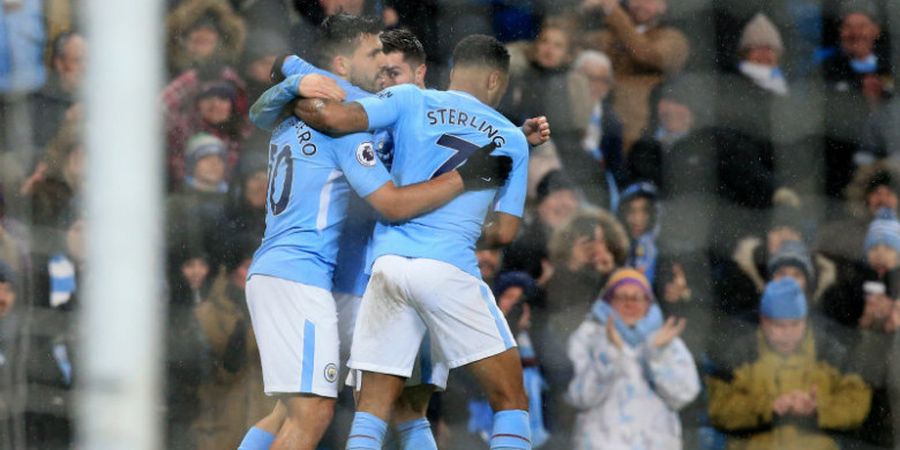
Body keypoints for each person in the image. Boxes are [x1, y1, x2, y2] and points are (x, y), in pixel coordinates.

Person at [239, 16, 513, 450]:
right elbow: (391, 202)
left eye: (394, 67)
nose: (383, 68)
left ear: (422, 74)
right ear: (344, 64)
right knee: (319, 411)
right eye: (375, 57)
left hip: (316, 271)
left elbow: (272, 87)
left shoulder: (320, 95)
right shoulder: (349, 119)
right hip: (325, 273)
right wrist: (467, 178)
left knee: (318, 408)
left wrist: (290, 81)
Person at [708, 278, 872, 450]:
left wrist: (817, 410)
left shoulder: (830, 351)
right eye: (779, 326)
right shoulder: (740, 354)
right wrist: (769, 407)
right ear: (764, 321)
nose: (788, 334)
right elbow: (719, 408)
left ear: (805, 320)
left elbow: (856, 402)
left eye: (796, 324)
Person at [566, 268, 700, 449]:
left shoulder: (666, 338)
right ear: (608, 301)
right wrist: (609, 354)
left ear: (648, 302)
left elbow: (684, 395)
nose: (630, 304)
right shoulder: (587, 336)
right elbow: (579, 397)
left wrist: (657, 356)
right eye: (621, 297)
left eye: (637, 298)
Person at [580, 0, 690, 150]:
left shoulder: (673, 38)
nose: (640, 4)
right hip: (595, 118)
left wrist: (613, 11)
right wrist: (583, 11)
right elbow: (569, 43)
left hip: (637, 129)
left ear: (663, 6)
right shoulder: (610, 30)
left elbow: (649, 55)